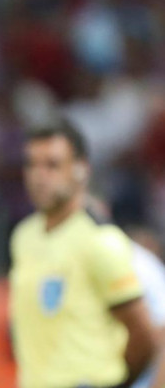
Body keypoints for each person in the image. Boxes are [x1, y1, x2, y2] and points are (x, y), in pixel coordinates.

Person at [9, 120, 158, 388]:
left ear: (81, 170)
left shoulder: (100, 241)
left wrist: (116, 383)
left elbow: (144, 336)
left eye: (52, 165)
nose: (39, 175)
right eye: (31, 164)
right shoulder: (24, 237)